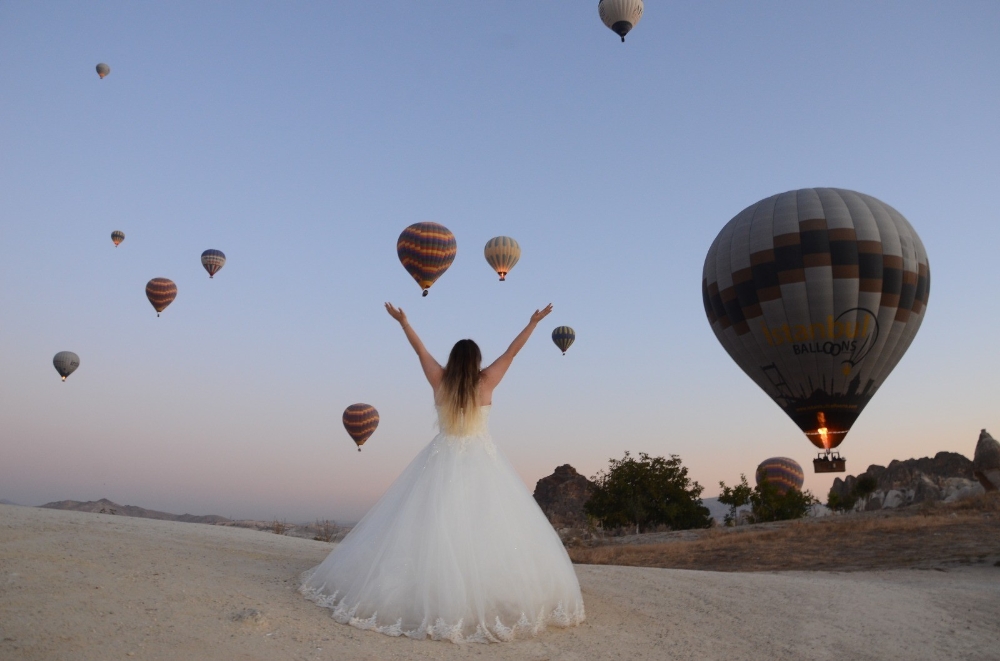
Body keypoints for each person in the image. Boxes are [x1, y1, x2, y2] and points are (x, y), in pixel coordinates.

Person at [300, 303, 584, 643]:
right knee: (486, 525)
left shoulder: (439, 380)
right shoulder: (488, 381)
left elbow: (419, 350)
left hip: (442, 458)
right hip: (482, 460)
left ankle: (432, 590)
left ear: (454, 359)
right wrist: (533, 322)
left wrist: (404, 322)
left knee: (428, 525)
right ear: (477, 361)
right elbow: (512, 352)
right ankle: (480, 591)